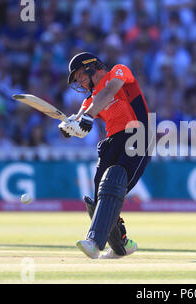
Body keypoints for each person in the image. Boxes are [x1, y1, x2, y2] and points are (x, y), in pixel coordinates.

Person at [59, 52, 153, 259]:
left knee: (112, 185)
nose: (80, 83)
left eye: (80, 77)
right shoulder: (90, 101)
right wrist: (69, 127)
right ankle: (122, 246)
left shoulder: (119, 71)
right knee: (100, 193)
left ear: (91, 67)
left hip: (139, 135)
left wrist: (89, 115)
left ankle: (94, 242)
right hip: (113, 142)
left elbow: (109, 92)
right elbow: (80, 123)